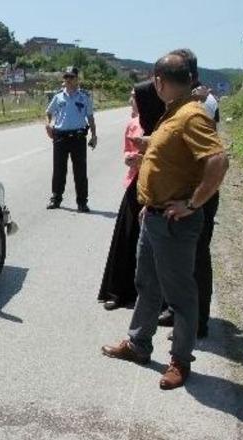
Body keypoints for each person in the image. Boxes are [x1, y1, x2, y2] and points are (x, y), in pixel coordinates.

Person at [101, 54, 229, 390]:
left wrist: (192, 203)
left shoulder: (191, 116)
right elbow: (173, 156)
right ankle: (139, 343)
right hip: (155, 215)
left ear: (160, 81)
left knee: (181, 296)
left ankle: (180, 361)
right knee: (147, 284)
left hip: (175, 222)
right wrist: (148, 150)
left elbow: (218, 160)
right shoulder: (174, 112)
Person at [157, 49, 221, 339]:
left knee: (196, 258)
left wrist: (195, 202)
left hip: (197, 194)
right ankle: (177, 312)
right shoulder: (183, 102)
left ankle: (197, 322)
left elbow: (215, 159)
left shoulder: (201, 104)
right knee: (180, 260)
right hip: (185, 191)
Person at [96, 81, 165, 310]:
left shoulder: (165, 126)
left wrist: (145, 159)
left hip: (159, 188)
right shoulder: (134, 124)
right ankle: (118, 291)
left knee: (154, 245)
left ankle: (156, 299)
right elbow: (127, 148)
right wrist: (131, 157)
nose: (130, 100)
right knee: (125, 238)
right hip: (135, 183)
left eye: (134, 96)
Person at [45, 66, 98, 212]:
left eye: (71, 77)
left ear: (77, 79)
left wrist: (94, 135)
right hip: (60, 137)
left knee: (80, 171)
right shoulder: (58, 97)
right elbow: (48, 112)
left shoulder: (84, 97)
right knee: (59, 169)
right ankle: (56, 198)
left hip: (78, 137)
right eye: (66, 77)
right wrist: (48, 124)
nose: (68, 80)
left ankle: (82, 202)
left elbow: (90, 117)